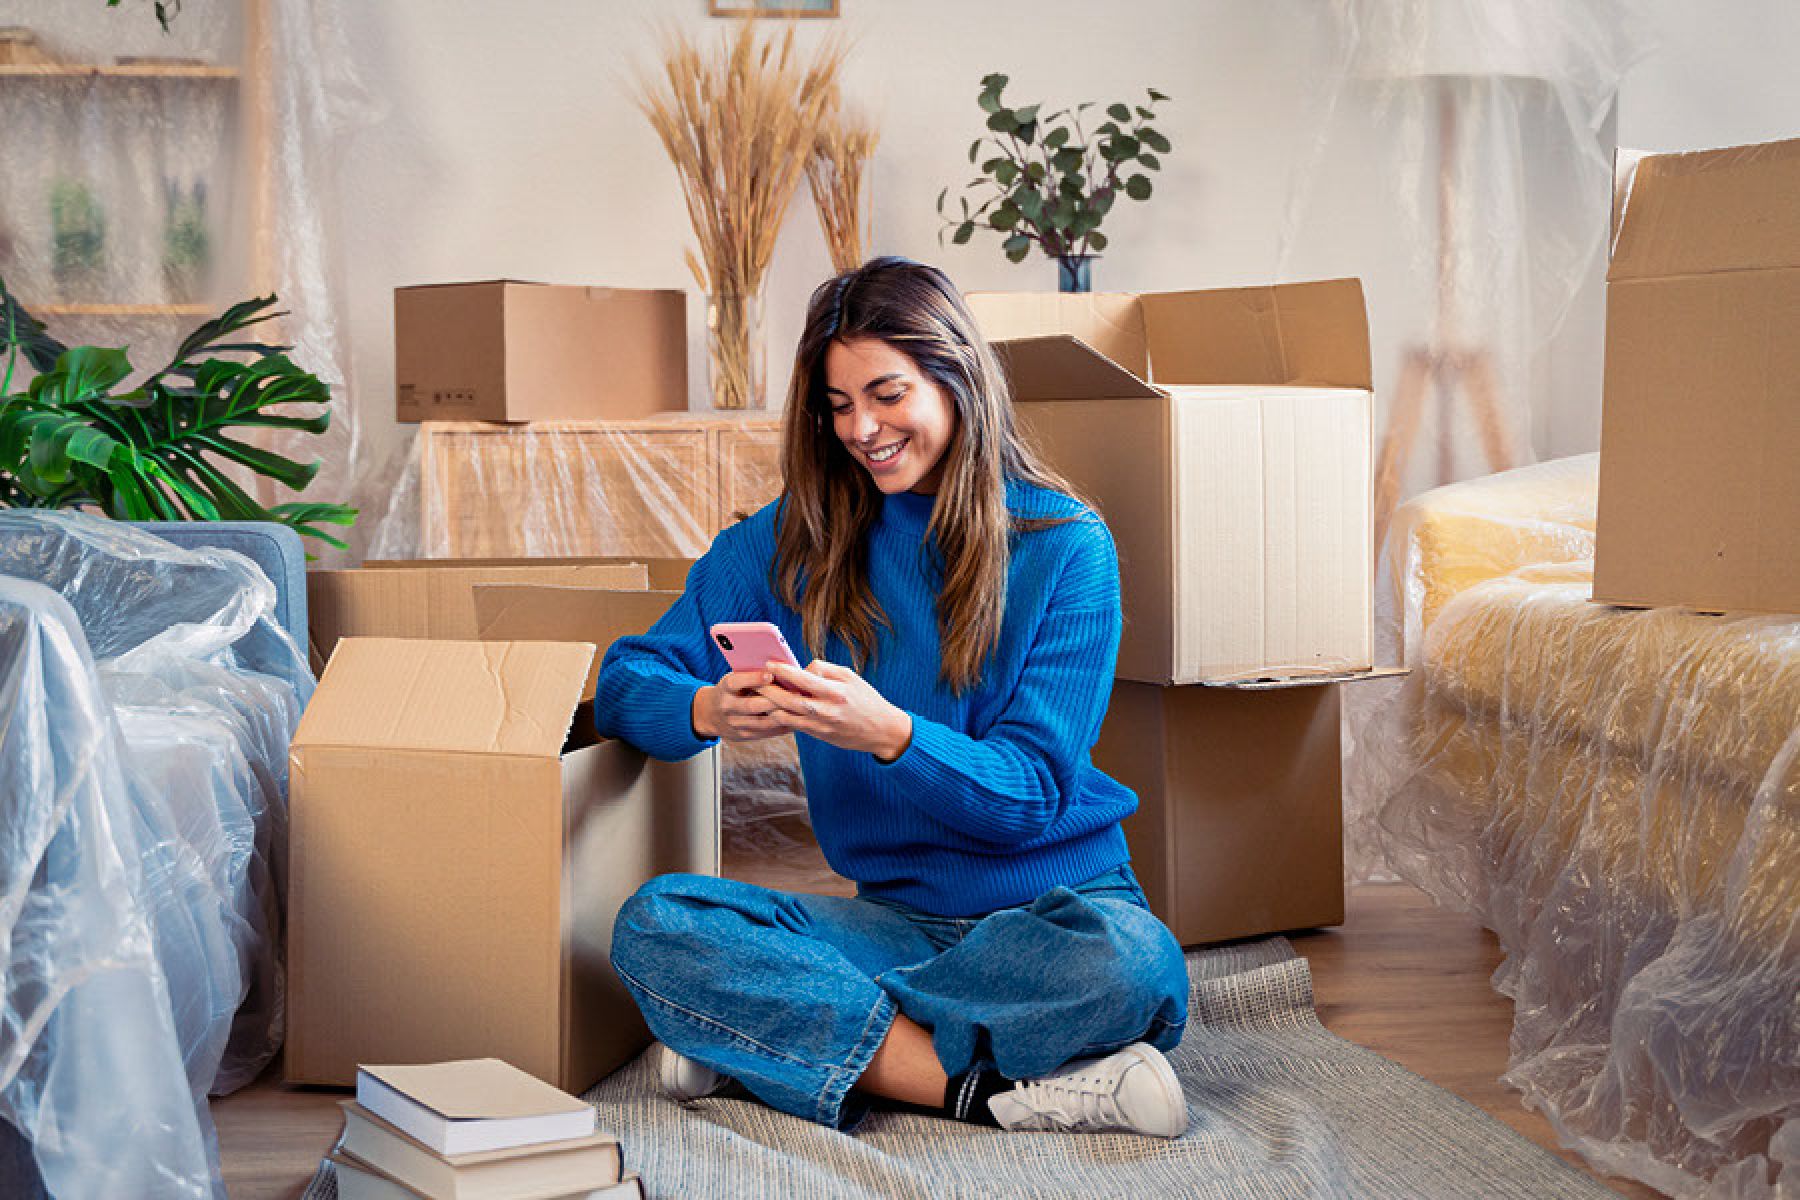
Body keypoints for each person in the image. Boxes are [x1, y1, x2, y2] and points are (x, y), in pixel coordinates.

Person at [596, 257, 1189, 1137]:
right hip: (896, 924)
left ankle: (781, 1039)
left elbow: (1027, 797)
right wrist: (705, 712)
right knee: (659, 924)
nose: (862, 428)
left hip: (1056, 915)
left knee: (1135, 965)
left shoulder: (1067, 548)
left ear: (955, 378)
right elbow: (624, 681)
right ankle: (981, 1091)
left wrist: (892, 735)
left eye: (887, 393)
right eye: (837, 406)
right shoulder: (790, 541)